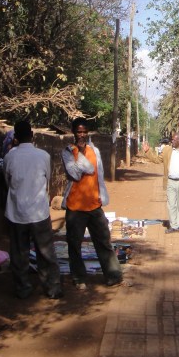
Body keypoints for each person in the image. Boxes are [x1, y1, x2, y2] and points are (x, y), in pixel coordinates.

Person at [2, 120, 62, 299]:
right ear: (32, 135)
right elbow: (48, 179)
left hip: (16, 212)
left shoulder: (9, 157)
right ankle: (52, 288)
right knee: (46, 252)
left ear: (16, 137)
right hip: (39, 212)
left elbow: (7, 180)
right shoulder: (43, 156)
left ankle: (23, 288)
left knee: (19, 254)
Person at [62, 117, 122, 287]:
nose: (81, 135)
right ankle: (79, 277)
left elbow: (97, 174)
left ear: (88, 133)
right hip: (75, 207)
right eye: (78, 132)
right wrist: (80, 155)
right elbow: (75, 174)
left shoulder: (94, 151)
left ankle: (113, 275)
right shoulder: (67, 152)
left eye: (84, 132)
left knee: (103, 241)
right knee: (74, 244)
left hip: (94, 204)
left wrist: (101, 194)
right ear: (73, 133)